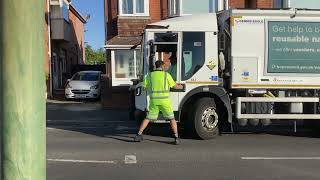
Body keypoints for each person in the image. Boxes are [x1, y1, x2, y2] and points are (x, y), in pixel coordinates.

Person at [134, 60, 183, 145]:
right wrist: (181, 86)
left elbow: (144, 87)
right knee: (172, 119)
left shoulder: (150, 75)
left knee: (148, 118)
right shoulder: (166, 75)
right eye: (165, 66)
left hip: (154, 101)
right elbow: (174, 86)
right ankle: (176, 137)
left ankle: (138, 135)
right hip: (165, 101)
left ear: (155, 66)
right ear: (162, 66)